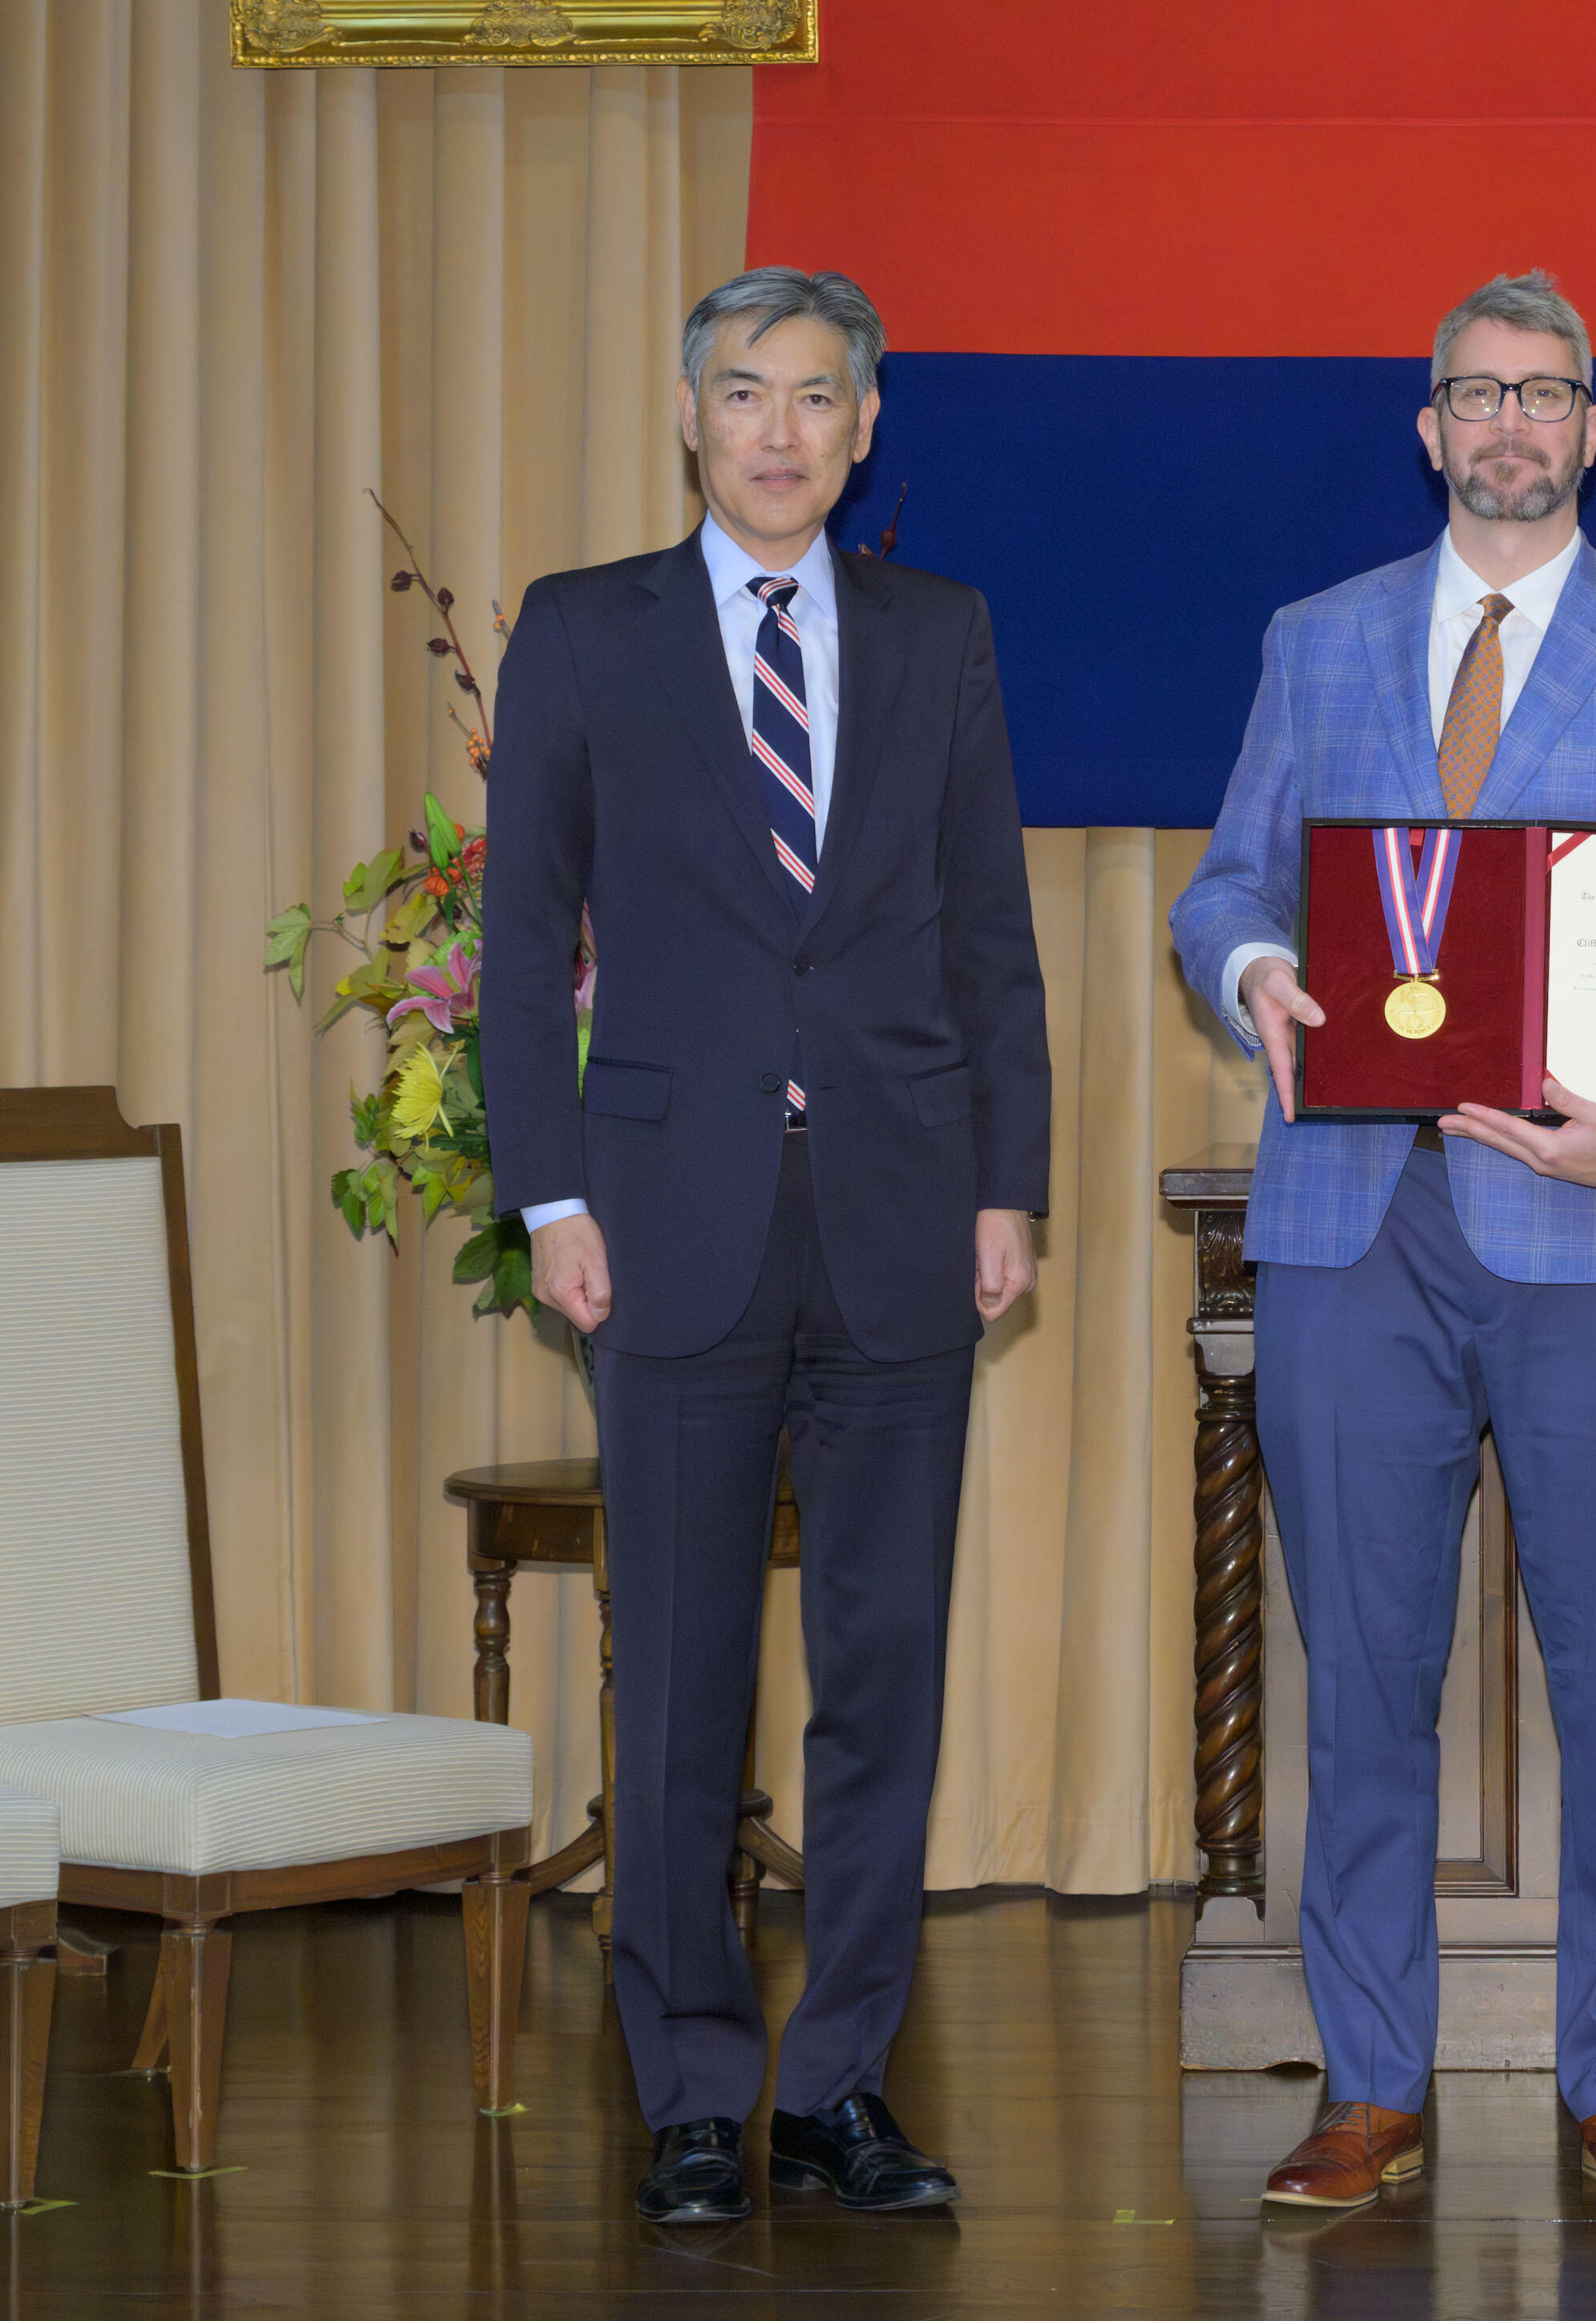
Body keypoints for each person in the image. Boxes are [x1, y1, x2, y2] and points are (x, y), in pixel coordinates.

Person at [1167, 270, 1596, 2212]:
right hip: (1354, 1222)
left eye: (1544, 393)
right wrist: (1254, 970)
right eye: (1476, 393)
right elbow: (1225, 887)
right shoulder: (1314, 641)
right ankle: (1368, 2086)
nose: (1509, 423)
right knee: (1362, 1682)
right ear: (1427, 429)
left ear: (1594, 428)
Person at [482, 266, 1050, 2226]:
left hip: (899, 1219)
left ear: (866, 423)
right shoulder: (583, 631)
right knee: (681, 1688)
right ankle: (690, 2090)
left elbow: (989, 932)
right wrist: (550, 1195)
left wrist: (1006, 1183)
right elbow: (520, 940)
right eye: (745, 393)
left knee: (881, 1684)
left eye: (818, 396)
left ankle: (839, 2087)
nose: (781, 430)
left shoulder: (938, 632)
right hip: (664, 1229)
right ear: (691, 414)